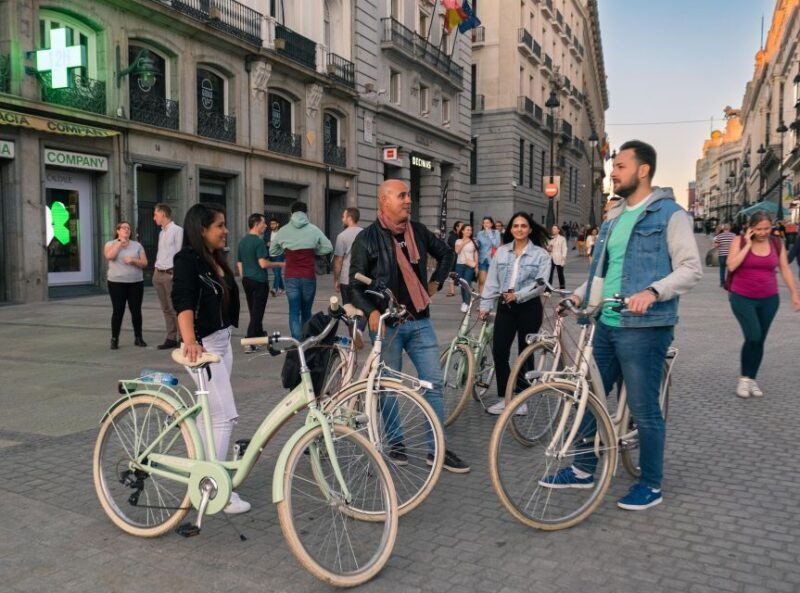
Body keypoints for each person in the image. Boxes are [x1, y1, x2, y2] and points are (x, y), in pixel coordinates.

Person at [544, 140, 702, 511]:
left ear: (643, 170)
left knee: (645, 409)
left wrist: (653, 290)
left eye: (620, 167)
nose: (613, 172)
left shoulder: (670, 214)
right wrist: (579, 297)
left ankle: (651, 483)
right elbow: (603, 272)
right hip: (606, 322)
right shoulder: (614, 216)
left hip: (644, 328)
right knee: (590, 398)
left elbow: (691, 269)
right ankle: (583, 469)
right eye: (614, 167)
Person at [349, 179, 469, 473]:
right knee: (388, 389)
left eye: (408, 195)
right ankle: (396, 443)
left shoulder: (417, 231)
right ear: (384, 201)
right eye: (401, 195)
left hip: (420, 322)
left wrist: (435, 282)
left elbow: (447, 254)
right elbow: (353, 284)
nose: (408, 200)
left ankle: (436, 448)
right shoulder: (366, 238)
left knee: (433, 384)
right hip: (388, 328)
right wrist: (370, 313)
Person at [171, 203, 249, 514]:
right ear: (201, 229)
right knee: (224, 415)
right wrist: (190, 341)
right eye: (220, 225)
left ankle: (200, 473)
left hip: (222, 343)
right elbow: (183, 300)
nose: (225, 230)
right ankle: (215, 488)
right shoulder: (187, 259)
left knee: (209, 415)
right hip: (202, 347)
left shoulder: (216, 259)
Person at [480, 213, 551, 415]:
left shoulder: (541, 255)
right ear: (510, 229)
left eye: (523, 226)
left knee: (524, 353)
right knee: (499, 351)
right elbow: (492, 281)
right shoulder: (501, 252)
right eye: (516, 226)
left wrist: (518, 295)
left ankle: (521, 398)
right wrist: (485, 306)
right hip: (505, 306)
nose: (519, 229)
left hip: (529, 307)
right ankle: (505, 397)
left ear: (529, 229)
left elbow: (541, 284)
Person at [726, 211, 800, 398]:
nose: (763, 232)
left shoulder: (776, 243)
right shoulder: (740, 241)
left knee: (760, 340)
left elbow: (785, 269)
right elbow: (731, 265)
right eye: (759, 229)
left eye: (767, 228)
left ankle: (752, 379)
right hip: (742, 297)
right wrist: (747, 245)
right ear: (750, 228)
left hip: (769, 299)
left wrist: (794, 294)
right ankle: (743, 380)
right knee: (753, 335)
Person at [269, 201, 333, 339]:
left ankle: (297, 344)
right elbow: (328, 247)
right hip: (308, 277)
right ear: (305, 213)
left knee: (293, 312)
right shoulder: (313, 229)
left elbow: (272, 251)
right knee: (306, 311)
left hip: (291, 276)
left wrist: (284, 248)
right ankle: (305, 341)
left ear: (292, 213)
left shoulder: (284, 230)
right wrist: (315, 250)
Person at [237, 213, 282, 353]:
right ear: (256, 224)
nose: (266, 225)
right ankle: (249, 341)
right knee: (257, 312)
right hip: (259, 281)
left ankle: (259, 336)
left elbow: (239, 262)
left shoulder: (243, 241)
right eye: (263, 223)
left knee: (254, 310)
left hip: (247, 280)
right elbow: (263, 264)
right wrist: (280, 264)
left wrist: (244, 276)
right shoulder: (258, 242)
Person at [104, 221, 148, 350]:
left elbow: (144, 263)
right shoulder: (110, 244)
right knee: (118, 311)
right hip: (116, 283)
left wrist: (133, 260)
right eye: (123, 228)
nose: (127, 230)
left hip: (135, 282)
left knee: (136, 311)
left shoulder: (137, 245)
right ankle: (114, 338)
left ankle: (138, 337)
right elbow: (109, 256)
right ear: (118, 230)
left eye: (128, 228)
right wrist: (119, 244)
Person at [151, 203, 183, 350]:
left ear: (163, 214)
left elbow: (179, 254)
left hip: (170, 274)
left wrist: (176, 275)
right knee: (165, 308)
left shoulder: (177, 231)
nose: (154, 218)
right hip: (158, 273)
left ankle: (183, 337)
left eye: (155, 215)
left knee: (175, 307)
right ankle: (171, 337)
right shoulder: (161, 232)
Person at [333, 207, 363, 305]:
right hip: (363, 279)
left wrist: (337, 279)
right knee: (362, 308)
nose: (342, 219)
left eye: (343, 217)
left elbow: (338, 261)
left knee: (348, 309)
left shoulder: (342, 236)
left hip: (347, 279)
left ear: (349, 218)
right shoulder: (365, 234)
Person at [454, 223, 479, 312]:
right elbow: (457, 251)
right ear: (463, 231)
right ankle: (464, 302)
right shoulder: (458, 241)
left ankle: (467, 303)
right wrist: (465, 241)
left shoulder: (474, 241)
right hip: (460, 265)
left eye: (471, 230)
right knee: (462, 284)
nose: (469, 231)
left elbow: (475, 254)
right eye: (467, 230)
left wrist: (476, 266)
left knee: (467, 284)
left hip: (470, 265)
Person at [477, 216, 501, 293]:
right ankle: (482, 299)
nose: (486, 224)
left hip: (492, 260)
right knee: (482, 281)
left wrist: (490, 233)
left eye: (487, 223)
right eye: (484, 223)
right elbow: (478, 246)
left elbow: (497, 245)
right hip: (482, 259)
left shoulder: (496, 232)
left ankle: (490, 299)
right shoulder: (480, 233)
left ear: (491, 224)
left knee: (491, 282)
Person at [265, 218, 285, 296]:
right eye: (271, 224)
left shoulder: (281, 233)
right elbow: (265, 242)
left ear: (277, 224)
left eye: (273, 224)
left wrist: (274, 244)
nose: (272, 225)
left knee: (277, 272)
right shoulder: (267, 233)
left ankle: (274, 288)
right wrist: (267, 243)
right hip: (271, 255)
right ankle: (282, 288)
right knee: (277, 273)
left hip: (279, 255)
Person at [445, 221, 463, 297]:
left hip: (461, 257)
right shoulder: (452, 236)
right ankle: (452, 291)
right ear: (457, 227)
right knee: (452, 274)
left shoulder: (462, 236)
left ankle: (467, 288)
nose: (463, 228)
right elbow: (455, 246)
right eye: (461, 226)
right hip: (453, 257)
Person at [547, 224, 567, 289]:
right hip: (551, 258)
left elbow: (564, 248)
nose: (553, 230)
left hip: (559, 258)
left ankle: (562, 288)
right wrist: (549, 247)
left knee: (560, 274)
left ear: (558, 230)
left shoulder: (562, 238)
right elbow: (548, 249)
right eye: (553, 229)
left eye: (555, 228)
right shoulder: (550, 238)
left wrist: (563, 257)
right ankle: (548, 289)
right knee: (549, 274)